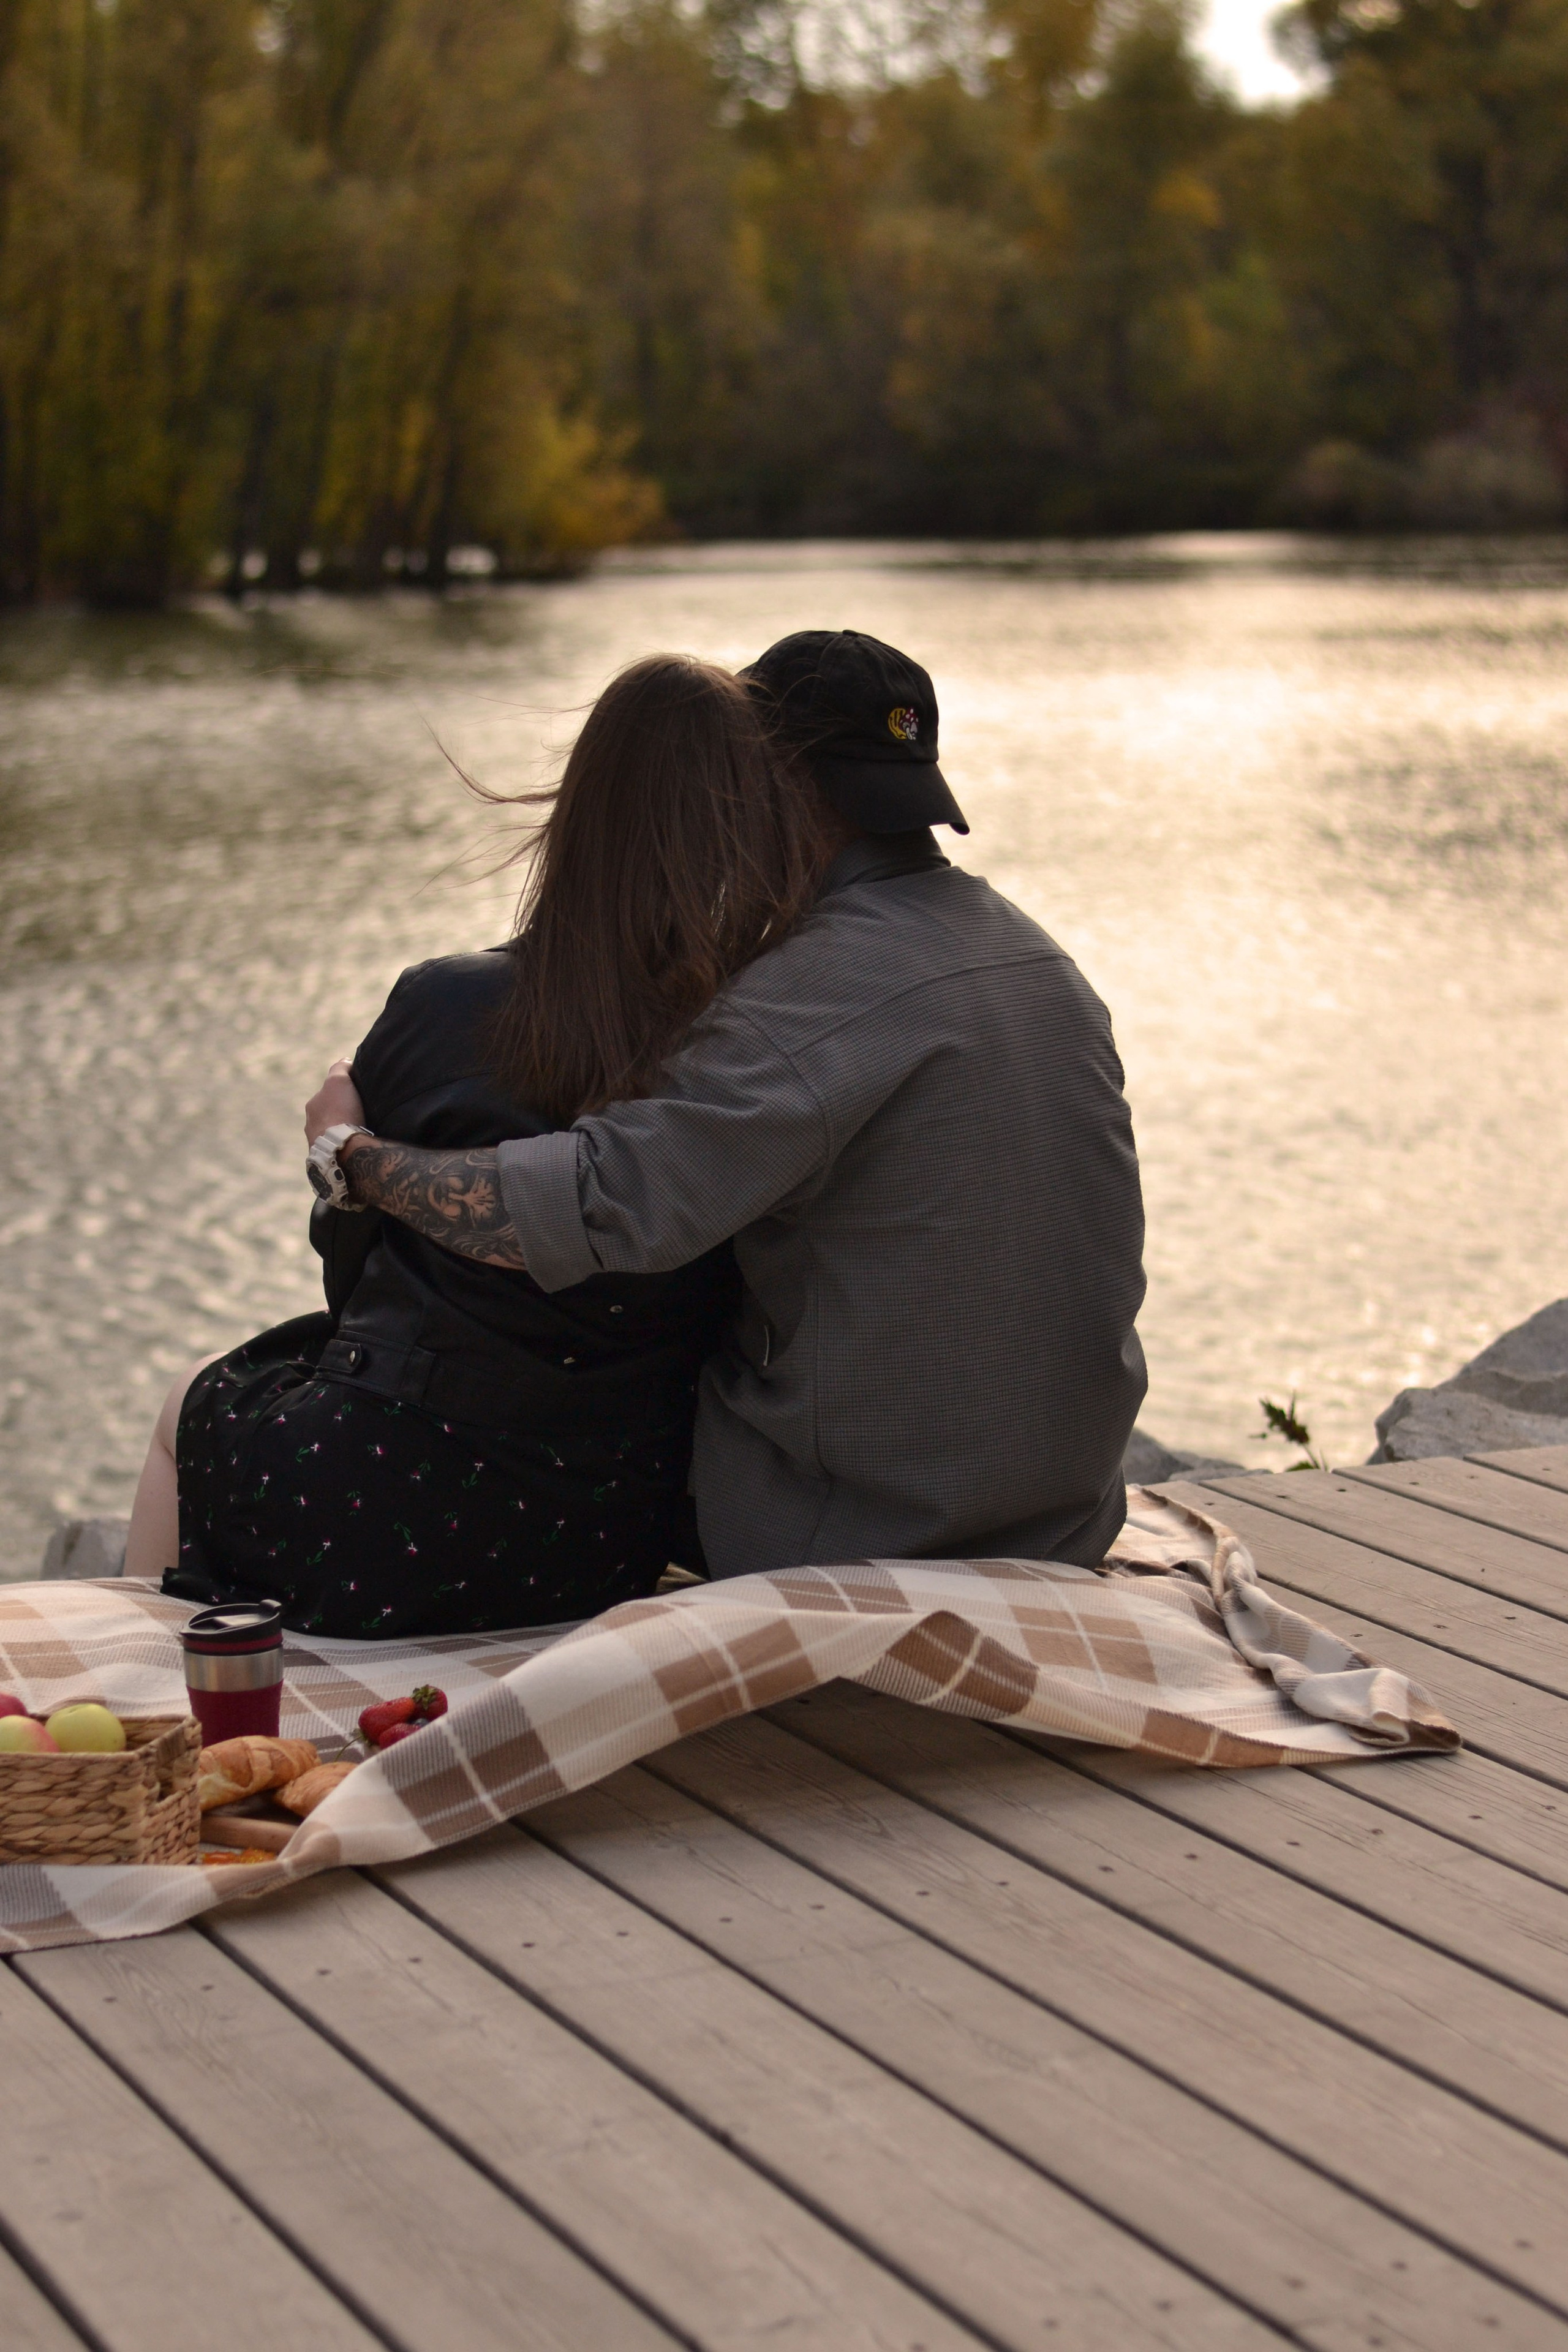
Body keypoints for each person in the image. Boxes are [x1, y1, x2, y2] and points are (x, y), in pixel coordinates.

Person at [306, 628, 1149, 1579]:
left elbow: (593, 1209)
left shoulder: (815, 989)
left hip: (868, 1541)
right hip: (1062, 1521)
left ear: (771, 789)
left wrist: (354, 1158)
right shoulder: (1039, 960)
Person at [124, 654, 830, 1635]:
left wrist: (342, 1158)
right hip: (603, 1539)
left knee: (191, 1406)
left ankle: (148, 1697)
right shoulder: (758, 1047)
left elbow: (351, 1271)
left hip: (383, 1511)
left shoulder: (444, 1006)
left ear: (578, 814)